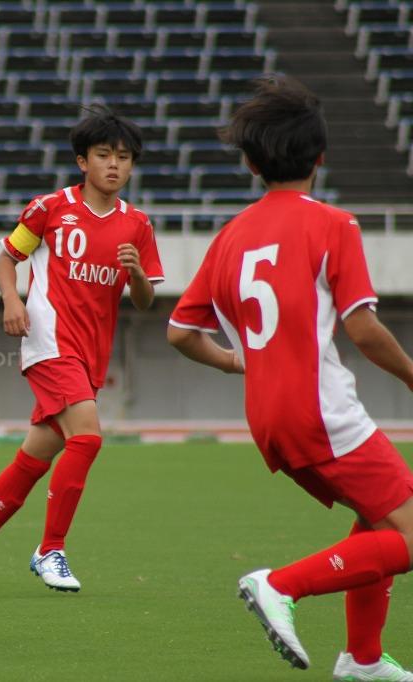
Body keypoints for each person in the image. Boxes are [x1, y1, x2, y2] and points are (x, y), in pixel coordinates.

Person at [167, 75, 413, 680]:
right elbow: (362, 328)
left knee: (381, 518)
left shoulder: (228, 239)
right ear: (321, 157)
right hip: (323, 412)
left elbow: (179, 332)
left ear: (251, 164)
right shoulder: (333, 225)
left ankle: (361, 660)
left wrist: (235, 360)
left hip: (267, 418)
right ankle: (279, 585)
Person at [0, 107, 164, 596]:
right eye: (104, 155)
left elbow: (146, 301)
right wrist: (11, 299)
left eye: (123, 158)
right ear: (82, 161)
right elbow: (7, 258)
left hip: (91, 355)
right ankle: (51, 548)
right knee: (87, 438)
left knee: (33, 459)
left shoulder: (138, 227)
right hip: (48, 342)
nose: (114, 165)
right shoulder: (49, 208)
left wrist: (139, 275)